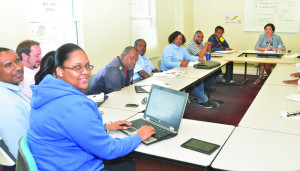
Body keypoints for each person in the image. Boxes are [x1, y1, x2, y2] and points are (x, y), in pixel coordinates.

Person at [27, 43, 155, 170]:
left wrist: (106, 127)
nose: (86, 72)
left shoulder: (46, 93)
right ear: (60, 71)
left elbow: (72, 128)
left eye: (87, 66)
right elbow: (109, 149)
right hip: (77, 166)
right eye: (77, 67)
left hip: (59, 163)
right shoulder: (73, 105)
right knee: (128, 166)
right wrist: (138, 136)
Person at [161, 31, 219, 108]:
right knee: (190, 83)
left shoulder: (181, 48)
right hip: (169, 74)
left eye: (181, 39)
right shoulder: (168, 49)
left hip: (179, 71)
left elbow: (188, 57)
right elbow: (166, 63)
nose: (179, 41)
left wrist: (198, 58)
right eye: (177, 39)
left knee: (199, 79)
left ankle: (201, 100)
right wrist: (180, 64)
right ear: (172, 39)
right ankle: (205, 99)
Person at [0, 48, 30, 160]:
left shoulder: (14, 88)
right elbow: (21, 151)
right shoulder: (7, 103)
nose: (18, 67)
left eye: (17, 61)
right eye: (8, 65)